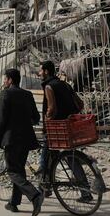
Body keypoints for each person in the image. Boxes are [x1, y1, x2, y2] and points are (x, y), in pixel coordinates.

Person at [0, 68, 45, 216]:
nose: (4, 82)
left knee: (12, 171)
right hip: (26, 139)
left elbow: (1, 119)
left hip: (11, 139)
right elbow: (35, 118)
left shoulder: (6, 94)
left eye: (5, 79)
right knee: (19, 169)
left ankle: (35, 196)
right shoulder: (27, 95)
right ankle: (14, 203)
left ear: (9, 80)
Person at [38, 60, 92, 201]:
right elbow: (80, 104)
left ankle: (43, 189)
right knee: (70, 157)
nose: (39, 73)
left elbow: (51, 109)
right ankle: (86, 192)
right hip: (69, 127)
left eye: (40, 71)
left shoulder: (49, 87)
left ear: (46, 71)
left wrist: (46, 124)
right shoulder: (65, 84)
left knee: (45, 158)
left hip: (55, 129)